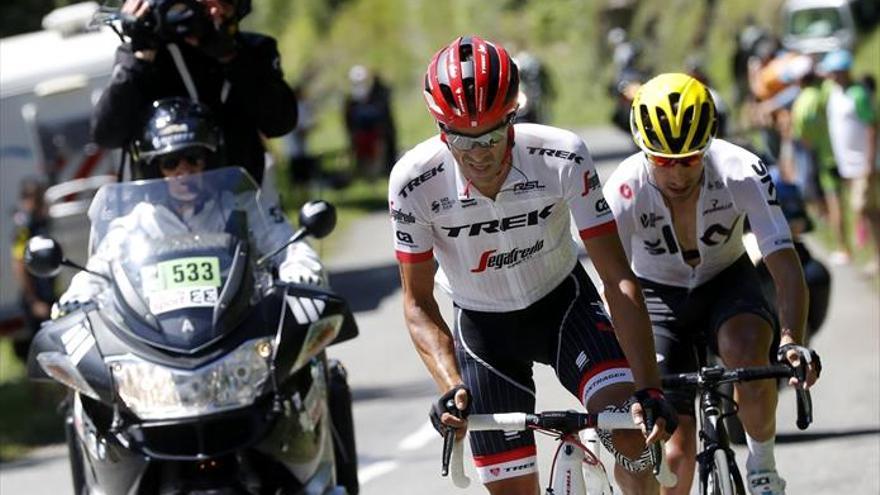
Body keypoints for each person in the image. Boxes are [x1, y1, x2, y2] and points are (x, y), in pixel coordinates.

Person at [388, 35, 677, 495]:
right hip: (485, 333)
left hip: (565, 309)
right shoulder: (413, 182)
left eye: (492, 136)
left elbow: (617, 277)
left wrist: (649, 387)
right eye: (462, 139)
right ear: (440, 128)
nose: (479, 152)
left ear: (513, 117)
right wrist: (449, 384)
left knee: (630, 436)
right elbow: (418, 302)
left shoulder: (561, 155)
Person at [605, 73, 822, 495]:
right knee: (675, 454)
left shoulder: (741, 170)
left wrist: (793, 339)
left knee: (748, 355)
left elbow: (783, 259)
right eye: (663, 161)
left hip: (726, 281)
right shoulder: (623, 190)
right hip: (657, 296)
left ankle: (762, 466)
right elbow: (612, 282)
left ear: (707, 145)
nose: (678, 173)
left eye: (689, 158)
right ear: (643, 150)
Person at [59, 98, 323, 311]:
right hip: (160, 344)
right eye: (170, 163)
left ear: (209, 160)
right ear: (155, 170)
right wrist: (77, 296)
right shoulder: (135, 224)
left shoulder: (243, 208)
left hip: (240, 328)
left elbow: (289, 244)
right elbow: (98, 270)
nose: (183, 171)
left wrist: (300, 271)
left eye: (192, 158)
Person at [91, 0, 297, 185]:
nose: (213, 11)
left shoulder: (253, 50)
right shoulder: (140, 58)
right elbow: (106, 135)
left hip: (240, 208)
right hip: (164, 215)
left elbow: (280, 122)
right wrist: (142, 55)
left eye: (221, 3)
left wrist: (232, 58)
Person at [821, 49, 879, 269]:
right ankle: (875, 254)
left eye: (835, 71)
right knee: (871, 210)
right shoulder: (834, 94)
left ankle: (863, 242)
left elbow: (872, 126)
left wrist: (870, 162)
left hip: (864, 163)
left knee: (861, 207)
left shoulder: (858, 94)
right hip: (847, 165)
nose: (832, 76)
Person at [10, 179, 55, 360]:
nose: (39, 204)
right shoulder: (24, 228)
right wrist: (34, 300)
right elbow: (19, 265)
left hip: (48, 293)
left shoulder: (42, 223)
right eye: (36, 199)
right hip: (35, 298)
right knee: (40, 352)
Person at [343, 65, 398, 179]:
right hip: (361, 135)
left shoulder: (376, 97)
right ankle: (367, 174)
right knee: (365, 159)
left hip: (375, 134)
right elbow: (349, 120)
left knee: (378, 155)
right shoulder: (351, 102)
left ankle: (377, 173)